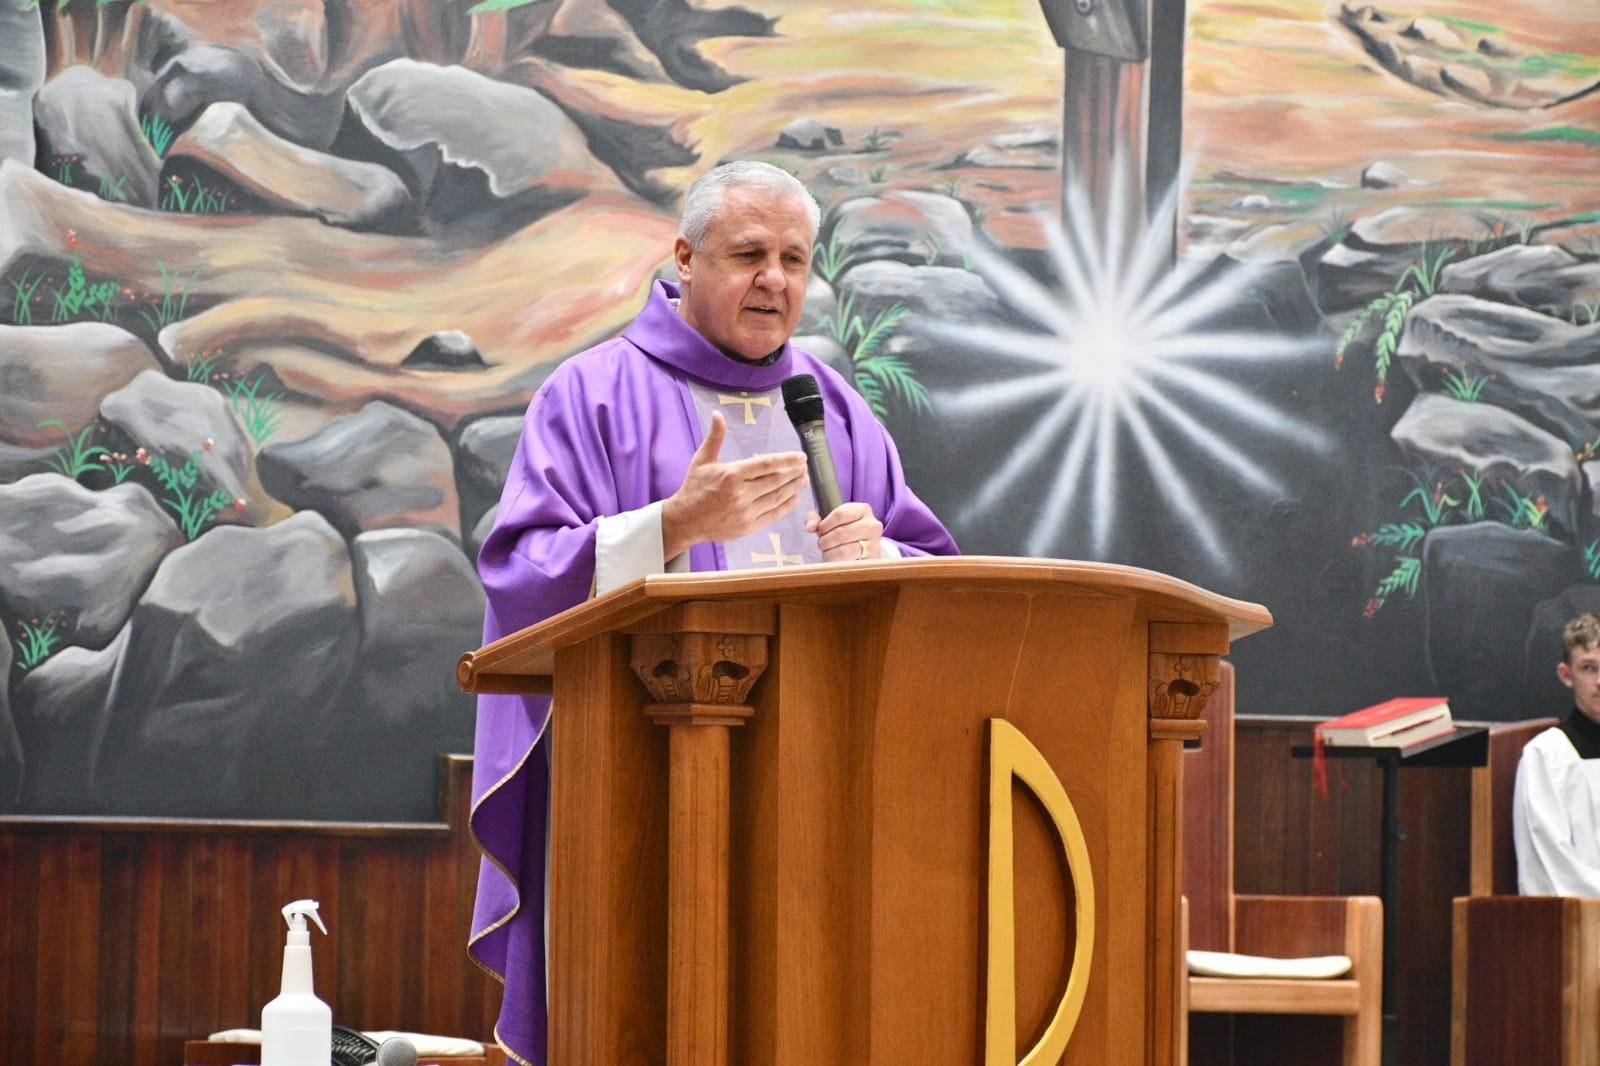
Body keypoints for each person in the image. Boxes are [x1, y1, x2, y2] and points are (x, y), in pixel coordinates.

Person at [466, 160, 958, 1065]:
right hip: (640, 795)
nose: (775, 279)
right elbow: (520, 571)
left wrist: (879, 555)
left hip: (827, 795)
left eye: (795, 259)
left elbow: (938, 576)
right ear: (686, 258)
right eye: (749, 254)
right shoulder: (591, 394)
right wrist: (671, 527)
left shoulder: (834, 408)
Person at [1512, 612, 1600, 897]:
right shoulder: (1546, 757)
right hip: (1580, 928)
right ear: (1566, 674)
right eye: (1589, 668)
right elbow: (1552, 870)